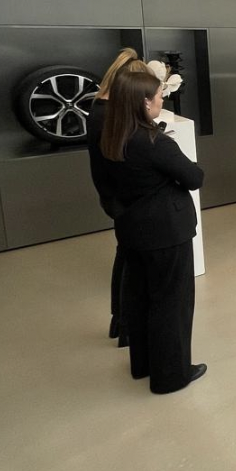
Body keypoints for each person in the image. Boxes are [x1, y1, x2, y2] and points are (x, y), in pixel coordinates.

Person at [94, 67, 206, 394]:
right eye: (159, 96)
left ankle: (142, 366)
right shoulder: (154, 142)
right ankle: (171, 376)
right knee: (172, 303)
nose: (161, 100)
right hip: (167, 233)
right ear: (144, 103)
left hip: (131, 230)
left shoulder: (111, 135)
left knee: (141, 299)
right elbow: (195, 177)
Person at [87, 48, 149, 345]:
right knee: (129, 262)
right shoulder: (107, 114)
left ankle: (121, 321)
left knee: (125, 257)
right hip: (123, 199)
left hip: (114, 196)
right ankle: (124, 322)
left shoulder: (100, 108)